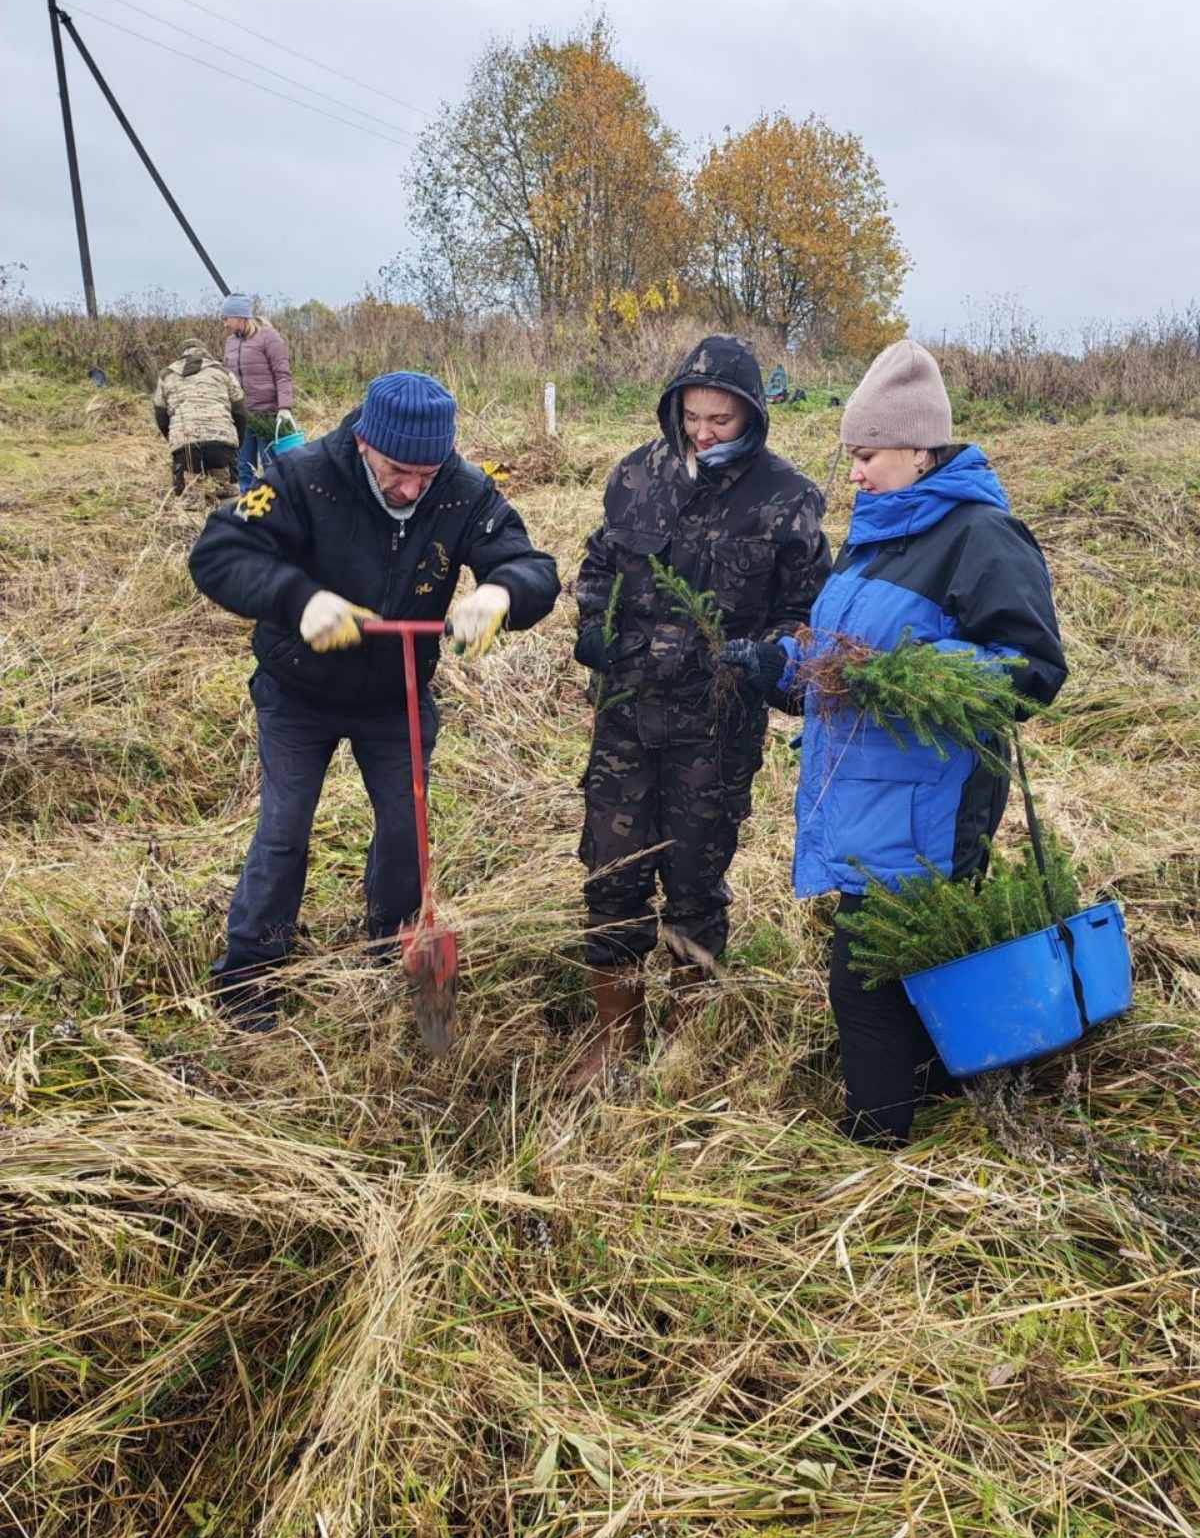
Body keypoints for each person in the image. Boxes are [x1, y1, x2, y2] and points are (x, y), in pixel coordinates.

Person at [721, 339, 1068, 1144]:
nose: (853, 474)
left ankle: (879, 1152)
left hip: (926, 811)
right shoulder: (882, 531)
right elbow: (845, 655)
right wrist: (779, 665)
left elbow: (1031, 668)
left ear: (919, 449)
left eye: (866, 454)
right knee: (898, 975)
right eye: (851, 456)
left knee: (865, 982)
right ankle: (935, 1102)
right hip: (864, 796)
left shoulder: (981, 536)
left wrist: (899, 675)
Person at [188, 370, 561, 1030]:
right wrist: (299, 601)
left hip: (396, 695)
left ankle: (390, 949)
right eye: (398, 471)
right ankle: (249, 975)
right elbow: (219, 552)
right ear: (365, 443)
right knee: (284, 830)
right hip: (297, 690)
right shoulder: (299, 477)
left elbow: (532, 566)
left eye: (428, 471)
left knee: (404, 830)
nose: (413, 488)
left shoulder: (464, 491)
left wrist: (500, 594)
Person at [571, 335, 831, 1087]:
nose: (703, 432)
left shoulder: (787, 498)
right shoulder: (635, 475)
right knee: (612, 874)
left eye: (720, 418)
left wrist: (764, 658)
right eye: (692, 415)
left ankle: (686, 1047)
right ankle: (615, 1043)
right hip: (625, 716)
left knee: (693, 882)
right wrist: (593, 623)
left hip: (714, 729)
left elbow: (807, 613)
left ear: (751, 414)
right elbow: (597, 565)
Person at [220, 292, 295, 490]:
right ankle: (247, 510)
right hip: (242, 416)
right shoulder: (231, 343)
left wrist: (284, 407)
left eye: (226, 318)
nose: (224, 323)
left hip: (267, 415)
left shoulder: (268, 337)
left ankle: (277, 509)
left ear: (240, 317)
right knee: (243, 467)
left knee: (271, 467)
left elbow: (282, 374)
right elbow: (227, 379)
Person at [153, 337, 245, 497]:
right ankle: (229, 519)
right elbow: (240, 411)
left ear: (181, 354)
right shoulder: (223, 372)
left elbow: (160, 414)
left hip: (186, 446)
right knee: (228, 497)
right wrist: (238, 442)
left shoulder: (166, 375)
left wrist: (174, 439)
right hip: (222, 444)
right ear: (205, 351)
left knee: (190, 500)